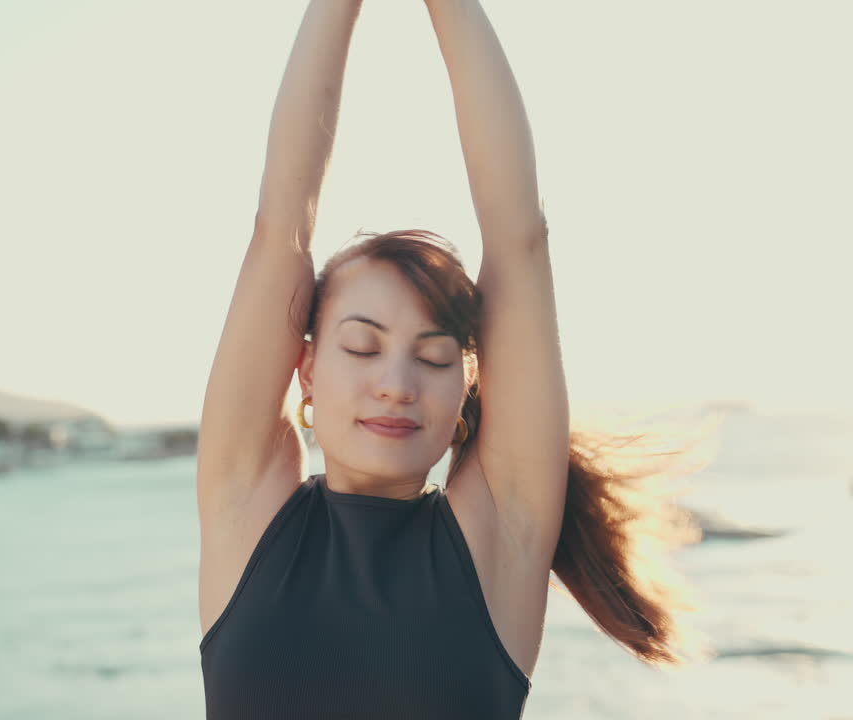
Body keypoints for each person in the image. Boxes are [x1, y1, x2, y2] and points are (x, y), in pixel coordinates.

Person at [196, 2, 703, 718]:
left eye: (434, 357)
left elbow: (519, 234)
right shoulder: (244, 509)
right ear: (305, 369)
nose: (396, 384)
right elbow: (282, 223)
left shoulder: (499, 538)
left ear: (466, 390)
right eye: (362, 346)